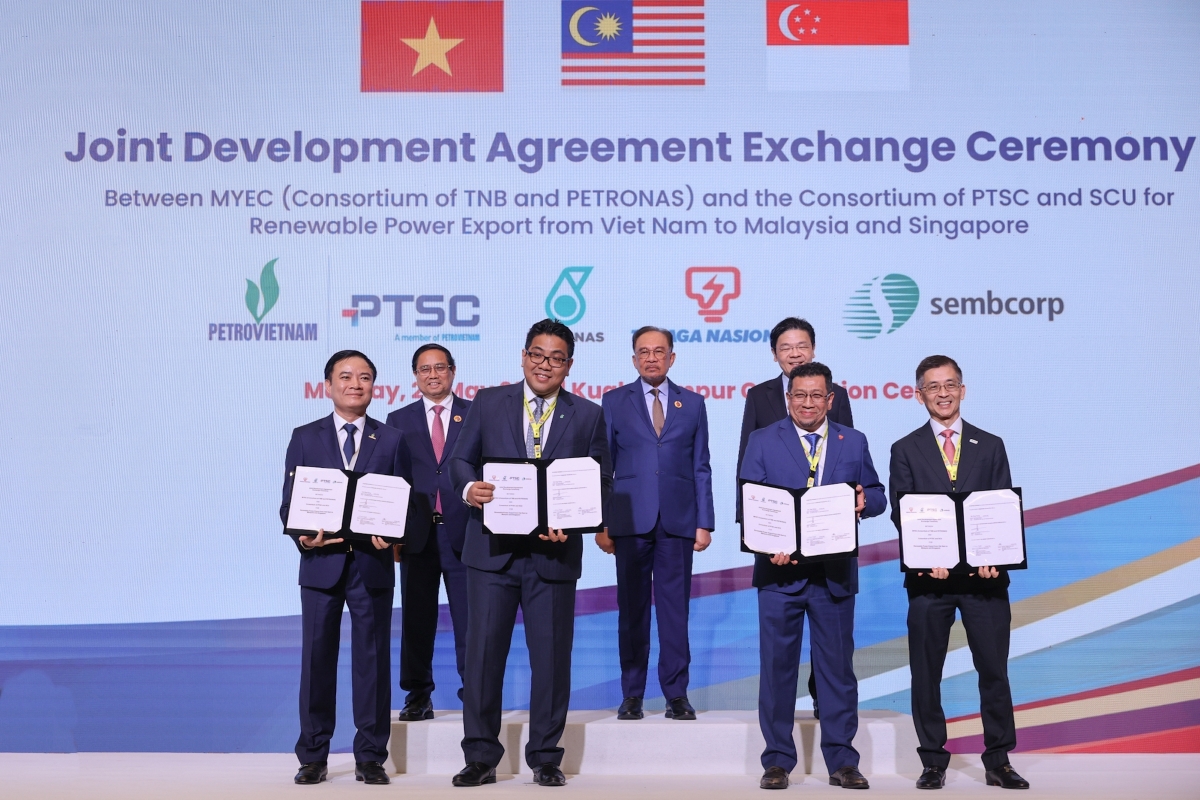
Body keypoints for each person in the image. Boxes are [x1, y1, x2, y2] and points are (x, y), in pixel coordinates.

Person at [448, 319, 613, 788]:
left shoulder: (588, 414)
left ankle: (545, 756)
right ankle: (481, 756)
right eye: (537, 355)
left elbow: (601, 480)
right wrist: (469, 489)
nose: (545, 365)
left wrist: (576, 521)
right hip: (491, 552)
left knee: (552, 660)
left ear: (569, 366)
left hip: (553, 556)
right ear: (523, 357)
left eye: (556, 358)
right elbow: (460, 460)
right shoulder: (488, 402)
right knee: (483, 658)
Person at [740, 362, 885, 791]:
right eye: (800, 395)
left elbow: (878, 495)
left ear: (830, 399)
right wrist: (766, 543)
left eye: (816, 395)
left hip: (834, 576)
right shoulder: (762, 440)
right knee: (777, 670)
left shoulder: (852, 440)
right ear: (789, 398)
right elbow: (751, 502)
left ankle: (842, 761)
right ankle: (777, 761)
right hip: (778, 575)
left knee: (837, 671)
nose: (807, 403)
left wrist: (864, 500)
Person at [888, 356, 1029, 791]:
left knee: (994, 671)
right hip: (929, 581)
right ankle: (933, 761)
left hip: (984, 580)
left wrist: (996, 555)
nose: (943, 393)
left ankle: (999, 760)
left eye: (950, 385)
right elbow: (901, 513)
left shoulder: (991, 445)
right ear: (919, 396)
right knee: (926, 673)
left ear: (963, 391)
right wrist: (923, 553)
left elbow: (1001, 508)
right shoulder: (905, 449)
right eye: (933, 387)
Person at [280, 350, 419, 786]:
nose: (355, 384)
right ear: (328, 386)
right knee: (316, 660)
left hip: (371, 565)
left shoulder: (392, 439)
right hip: (320, 564)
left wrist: (393, 535)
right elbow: (289, 504)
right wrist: (303, 536)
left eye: (364, 377)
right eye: (345, 377)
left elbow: (406, 503)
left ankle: (371, 756)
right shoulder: (305, 437)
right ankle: (312, 756)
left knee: (372, 662)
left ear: (374, 386)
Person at [595, 326, 715, 722]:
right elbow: (604, 467)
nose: (651, 358)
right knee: (632, 611)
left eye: (658, 351)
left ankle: (676, 695)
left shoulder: (693, 403)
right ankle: (632, 694)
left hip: (678, 521)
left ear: (671, 358)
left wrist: (704, 521)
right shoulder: (613, 401)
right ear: (634, 359)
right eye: (643, 352)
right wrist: (602, 522)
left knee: (674, 612)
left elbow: (701, 466)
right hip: (629, 519)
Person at [736, 317, 854, 716]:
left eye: (801, 345)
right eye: (786, 347)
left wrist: (853, 504)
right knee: (778, 660)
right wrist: (755, 536)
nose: (795, 353)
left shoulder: (837, 398)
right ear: (775, 355)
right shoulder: (759, 398)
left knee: (834, 657)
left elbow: (847, 465)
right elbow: (748, 472)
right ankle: (777, 746)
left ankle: (828, 713)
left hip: (829, 548)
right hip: (778, 551)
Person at [386, 344, 472, 721]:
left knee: (471, 619)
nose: (433, 375)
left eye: (440, 368)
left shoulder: (475, 414)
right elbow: (392, 479)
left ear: (452, 371)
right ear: (415, 376)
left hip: (466, 532)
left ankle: (475, 690)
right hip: (417, 534)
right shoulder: (397, 419)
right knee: (417, 619)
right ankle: (418, 694)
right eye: (425, 369)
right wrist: (392, 533)